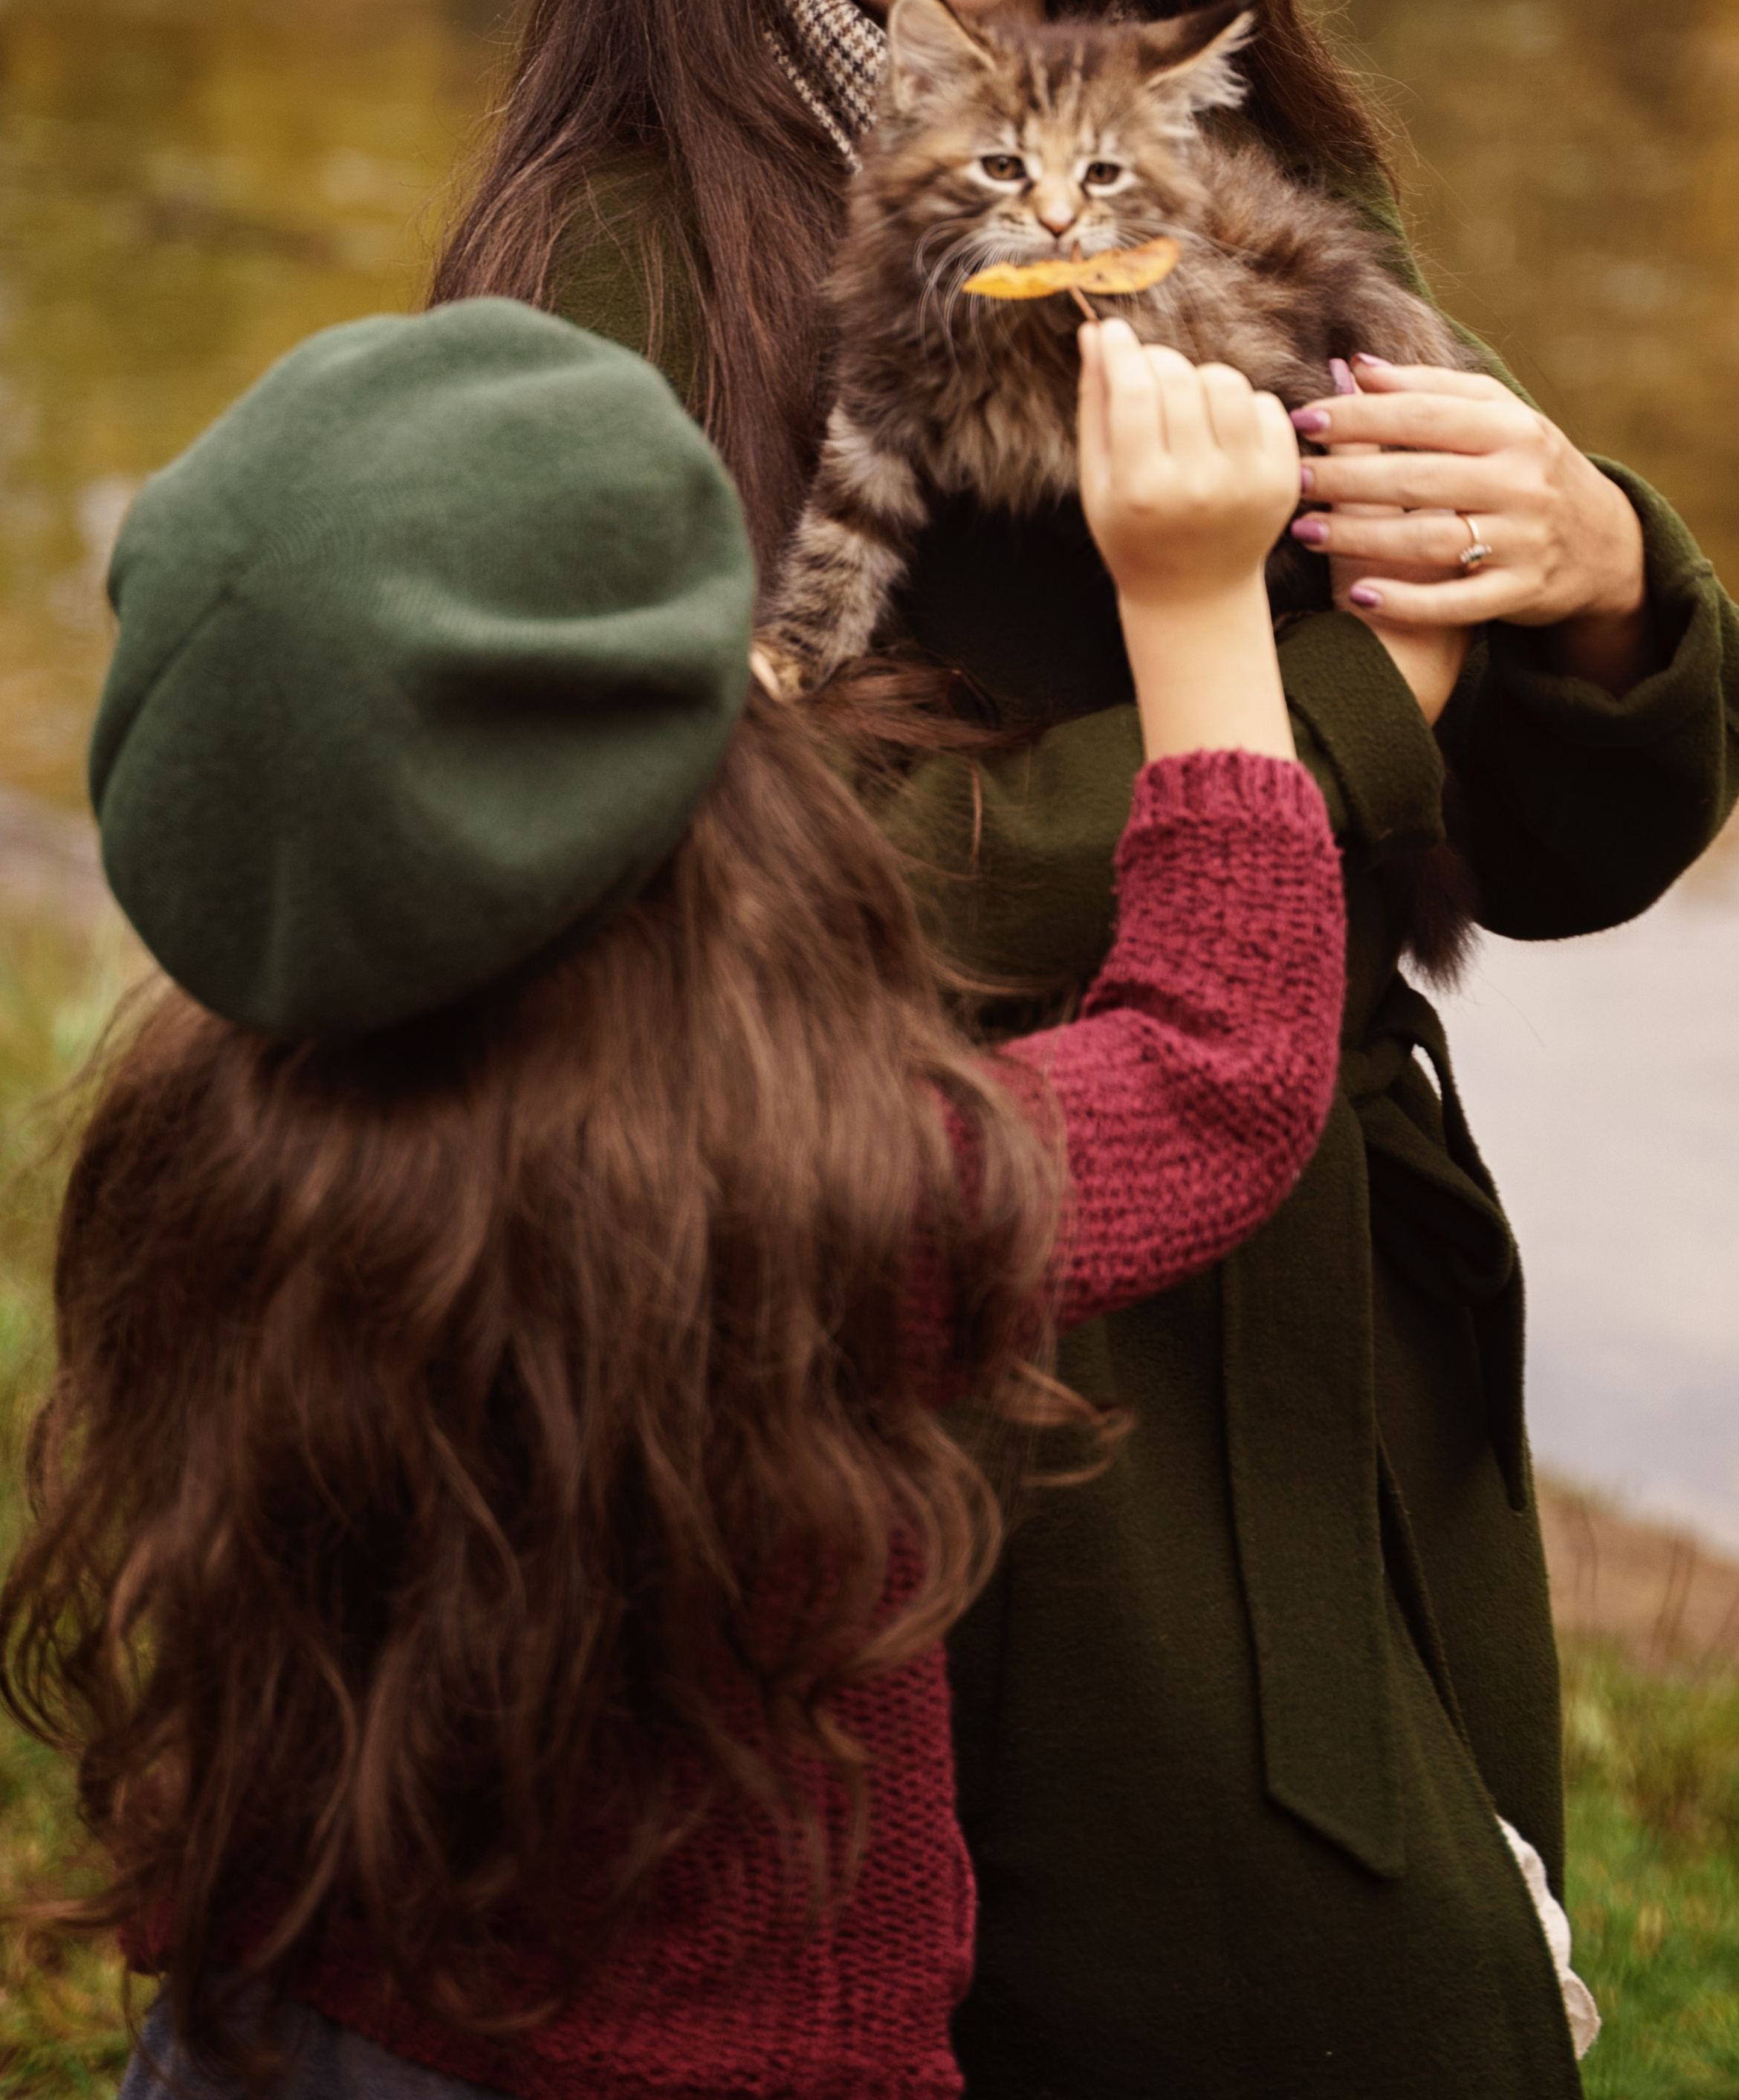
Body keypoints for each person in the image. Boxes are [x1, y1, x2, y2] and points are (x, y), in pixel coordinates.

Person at [429, 0, 1739, 2087]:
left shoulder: (1237, 121)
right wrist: (1314, 716)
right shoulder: (618, 260)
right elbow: (645, 898)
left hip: (1337, 1421)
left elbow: (1568, 843)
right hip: (962, 1455)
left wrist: (1599, 576)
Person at [2, 297, 1347, 2099]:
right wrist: (1191, 604)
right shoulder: (806, 1209)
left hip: (270, 2027)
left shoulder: (196, 1154)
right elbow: (1219, 1071)